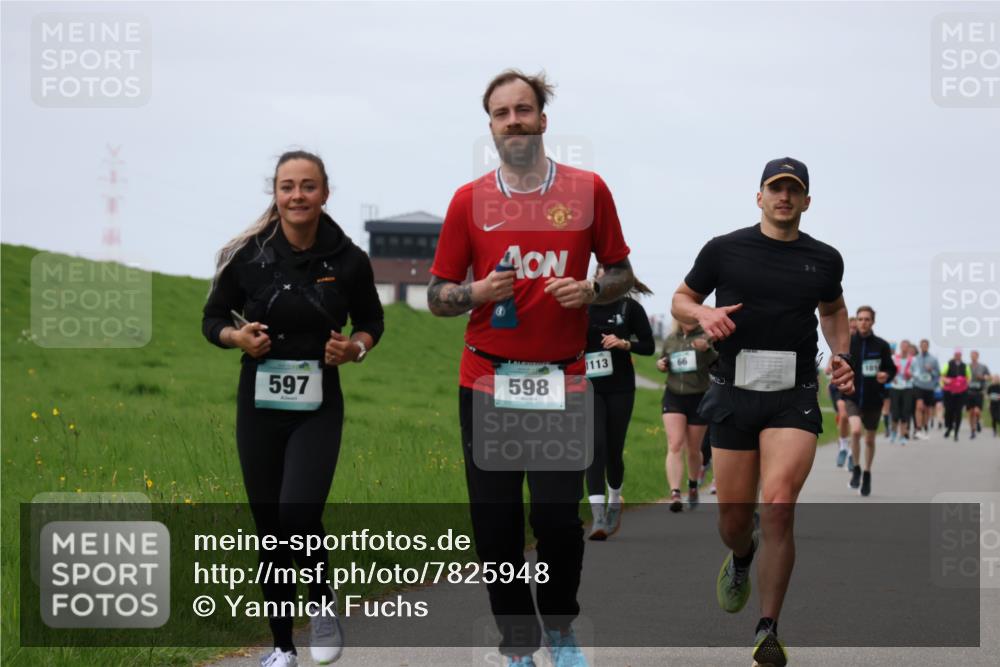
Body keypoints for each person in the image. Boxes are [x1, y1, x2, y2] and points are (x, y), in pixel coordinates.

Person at [427, 69, 633, 667]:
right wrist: (478, 292)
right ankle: (518, 644)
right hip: (486, 380)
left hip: (562, 380)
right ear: (490, 126)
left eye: (523, 109)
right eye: (501, 113)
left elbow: (623, 272)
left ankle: (561, 629)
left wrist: (593, 289)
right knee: (494, 527)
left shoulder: (589, 190)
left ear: (544, 119)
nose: (513, 121)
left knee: (557, 521)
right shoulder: (468, 201)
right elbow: (440, 297)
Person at [202, 151, 384, 667]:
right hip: (258, 403)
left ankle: (322, 604)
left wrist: (355, 348)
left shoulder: (349, 259)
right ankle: (282, 647)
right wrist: (237, 336)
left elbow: (372, 321)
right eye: (287, 187)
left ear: (325, 194)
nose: (297, 196)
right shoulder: (248, 256)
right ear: (275, 194)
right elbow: (212, 318)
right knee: (269, 523)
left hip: (318, 403)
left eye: (308, 187)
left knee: (297, 511)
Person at [672, 157, 854, 666]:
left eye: (794, 190)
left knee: (778, 505)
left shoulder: (824, 259)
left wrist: (841, 356)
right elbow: (681, 299)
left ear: (806, 201)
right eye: (776, 188)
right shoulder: (724, 250)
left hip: (793, 395)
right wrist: (703, 312)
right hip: (733, 392)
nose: (784, 197)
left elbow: (834, 311)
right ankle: (741, 556)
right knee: (733, 520)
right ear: (759, 197)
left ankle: (767, 628)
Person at [585, 267, 655, 540]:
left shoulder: (630, 308)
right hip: (588, 386)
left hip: (620, 387)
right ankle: (598, 516)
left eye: (614, 274)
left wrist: (625, 344)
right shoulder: (582, 305)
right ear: (596, 276)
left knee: (613, 449)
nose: (607, 279)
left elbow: (648, 346)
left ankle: (615, 500)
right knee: (595, 446)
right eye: (603, 273)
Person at [656, 319, 719, 512]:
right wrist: (661, 364)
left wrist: (707, 349)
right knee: (674, 444)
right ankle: (675, 493)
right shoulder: (670, 339)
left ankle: (692, 485)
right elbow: (662, 360)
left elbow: (718, 364)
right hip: (673, 395)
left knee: (693, 449)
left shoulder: (707, 337)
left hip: (698, 397)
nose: (688, 321)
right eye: (683, 317)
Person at [843, 306, 896, 497]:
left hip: (874, 399)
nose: (863, 322)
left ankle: (867, 473)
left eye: (866, 319)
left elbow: (891, 369)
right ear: (856, 321)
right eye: (860, 319)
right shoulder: (848, 343)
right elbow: (839, 364)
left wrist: (886, 375)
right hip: (852, 396)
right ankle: (856, 467)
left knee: (870, 439)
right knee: (856, 431)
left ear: (873, 322)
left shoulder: (881, 345)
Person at [888, 340, 916, 445]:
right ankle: (894, 432)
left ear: (909, 348)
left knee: (905, 412)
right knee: (895, 413)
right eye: (902, 346)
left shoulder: (913, 360)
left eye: (906, 346)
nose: (904, 348)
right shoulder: (894, 358)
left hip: (908, 387)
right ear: (900, 347)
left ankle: (903, 435)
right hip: (895, 387)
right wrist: (892, 377)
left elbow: (917, 372)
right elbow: (889, 370)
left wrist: (911, 375)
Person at [912, 339, 940, 439]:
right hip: (918, 385)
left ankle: (924, 427)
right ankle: (918, 428)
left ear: (928, 346)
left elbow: (938, 374)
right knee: (919, 406)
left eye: (925, 345)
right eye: (922, 345)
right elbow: (911, 370)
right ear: (920, 346)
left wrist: (931, 370)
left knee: (926, 409)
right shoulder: (915, 359)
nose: (924, 347)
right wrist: (913, 379)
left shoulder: (933, 359)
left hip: (929, 386)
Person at [942, 349, 971, 441]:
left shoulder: (965, 366)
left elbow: (969, 377)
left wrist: (965, 383)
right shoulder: (948, 364)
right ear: (954, 355)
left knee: (958, 411)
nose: (958, 356)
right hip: (949, 391)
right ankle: (950, 427)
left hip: (961, 392)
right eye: (956, 354)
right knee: (949, 410)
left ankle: (956, 432)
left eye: (959, 354)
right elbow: (942, 375)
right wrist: (946, 380)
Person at [966, 350, 990, 439]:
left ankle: (978, 421)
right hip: (969, 392)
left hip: (979, 392)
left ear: (977, 356)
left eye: (974, 355)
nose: (973, 357)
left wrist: (983, 377)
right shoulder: (967, 367)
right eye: (971, 355)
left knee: (977, 411)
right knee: (971, 412)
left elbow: (988, 376)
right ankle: (972, 430)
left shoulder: (983, 367)